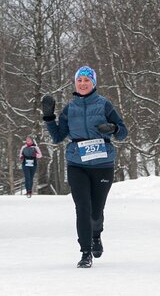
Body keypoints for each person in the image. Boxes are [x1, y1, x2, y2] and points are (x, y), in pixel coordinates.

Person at [42, 66, 129, 268]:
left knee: (96, 211)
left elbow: (123, 132)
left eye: (86, 80)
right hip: (77, 163)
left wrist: (113, 128)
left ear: (93, 83)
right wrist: (48, 117)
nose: (82, 83)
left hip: (102, 163)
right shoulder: (69, 108)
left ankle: (96, 235)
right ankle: (85, 252)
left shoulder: (105, 105)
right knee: (82, 207)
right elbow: (57, 137)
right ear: (75, 83)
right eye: (79, 80)